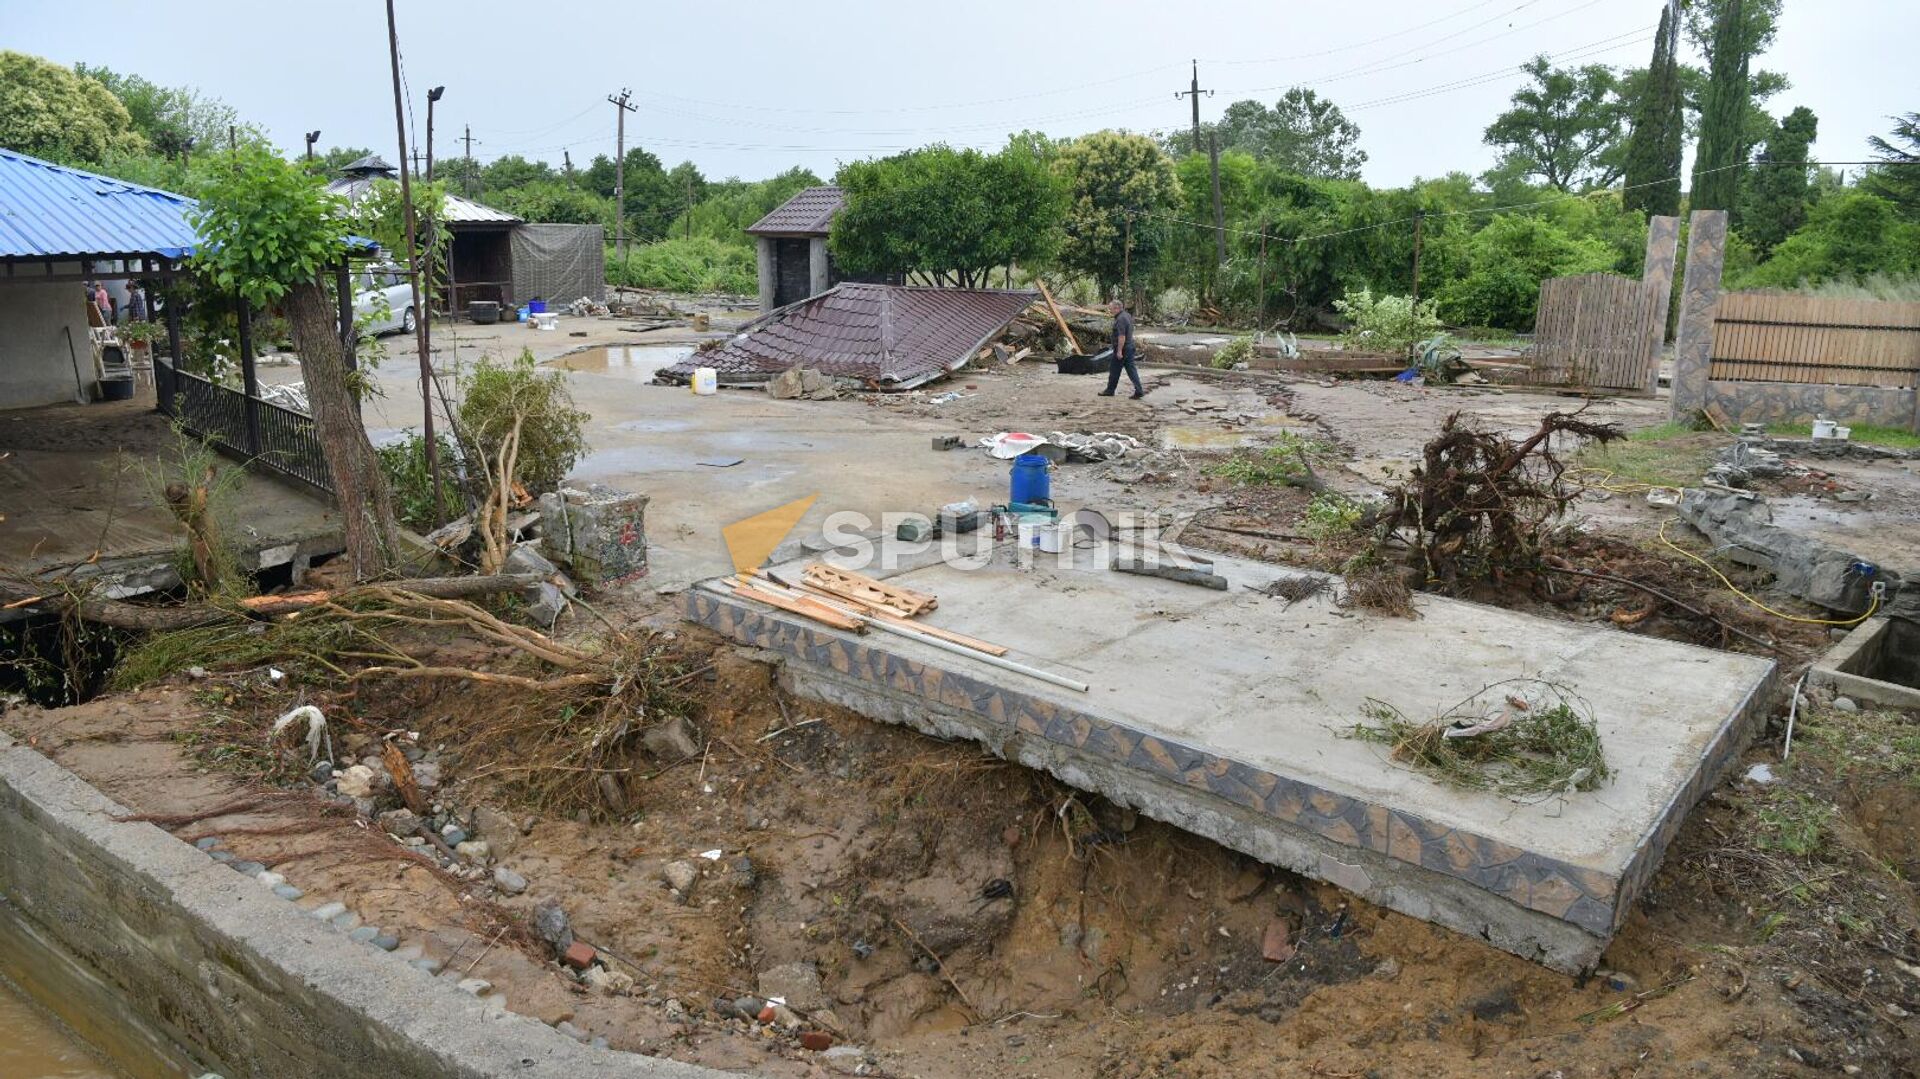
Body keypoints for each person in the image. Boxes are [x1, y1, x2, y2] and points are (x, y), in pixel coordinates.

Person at [1098, 298, 1144, 399]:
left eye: (1111, 309)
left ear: (1117, 308)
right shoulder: (1127, 315)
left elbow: (1121, 336)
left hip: (1123, 349)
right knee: (1131, 370)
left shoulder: (1120, 319)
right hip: (1129, 347)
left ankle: (1110, 390)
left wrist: (1119, 351)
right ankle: (1139, 390)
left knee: (1114, 369)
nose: (1110, 311)